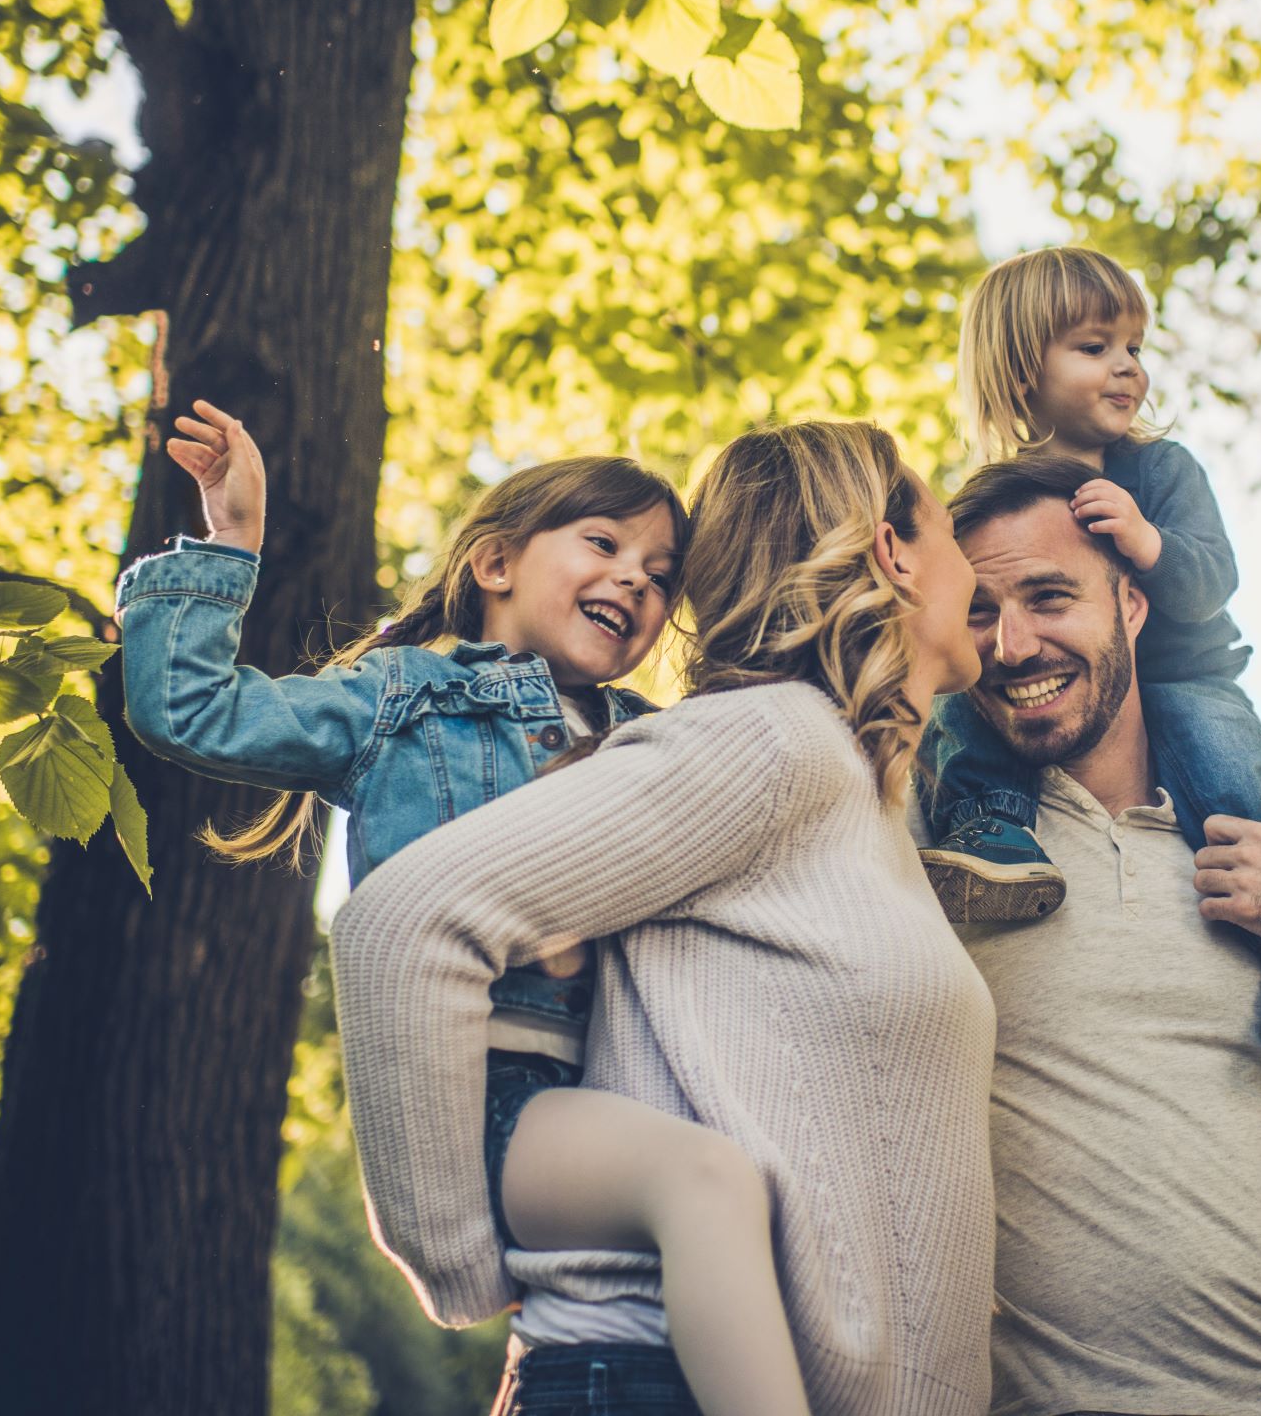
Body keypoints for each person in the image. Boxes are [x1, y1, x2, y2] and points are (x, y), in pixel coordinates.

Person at [116, 403, 813, 1416]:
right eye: (604, 542)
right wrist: (233, 541)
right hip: (493, 1100)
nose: (636, 579)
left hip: (619, 1081)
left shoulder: (652, 736)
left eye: (662, 576)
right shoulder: (405, 696)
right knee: (702, 1182)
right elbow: (190, 708)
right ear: (494, 564)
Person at [329, 421, 1001, 1416]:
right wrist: (458, 1252)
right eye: (952, 530)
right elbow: (397, 921)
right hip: (644, 1381)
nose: (975, 572)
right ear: (891, 550)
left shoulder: (851, 787)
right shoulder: (769, 740)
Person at [933, 455, 1261, 1416]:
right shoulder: (937, 836)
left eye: (1049, 597)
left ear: (1133, 606)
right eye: (980, 610)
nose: (1012, 644)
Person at [918, 245, 1261, 1068]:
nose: (1127, 368)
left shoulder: (1159, 470)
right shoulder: (994, 500)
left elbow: (1212, 580)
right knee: (959, 704)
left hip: (1181, 677)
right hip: (1057, 694)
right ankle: (990, 829)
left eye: (1134, 348)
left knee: (1232, 768)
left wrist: (1145, 541)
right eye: (1094, 348)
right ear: (1018, 374)